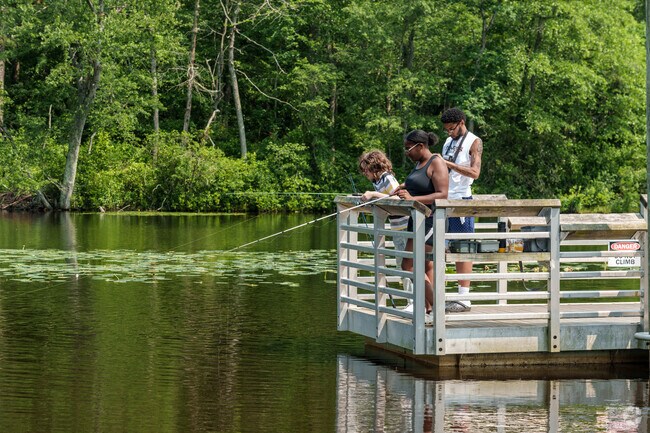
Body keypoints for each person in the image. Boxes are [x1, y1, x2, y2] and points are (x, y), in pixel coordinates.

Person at [393, 130, 448, 320]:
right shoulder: (419, 163)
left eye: (409, 148)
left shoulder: (437, 162)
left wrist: (412, 197)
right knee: (420, 264)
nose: (406, 152)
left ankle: (439, 307)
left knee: (409, 264)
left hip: (430, 219)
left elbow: (442, 194)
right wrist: (404, 187)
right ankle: (429, 310)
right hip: (415, 219)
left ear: (420, 146)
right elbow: (423, 184)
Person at [436, 107, 483, 313]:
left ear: (461, 122)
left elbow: (475, 172)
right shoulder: (448, 141)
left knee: (463, 248)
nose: (449, 133)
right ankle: (439, 295)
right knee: (439, 248)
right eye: (446, 130)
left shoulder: (474, 141)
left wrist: (447, 163)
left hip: (462, 201)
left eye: (452, 129)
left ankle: (465, 298)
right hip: (443, 199)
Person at [358, 150, 412, 305]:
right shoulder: (378, 182)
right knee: (401, 264)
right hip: (396, 228)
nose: (365, 174)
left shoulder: (387, 178)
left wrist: (374, 195)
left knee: (405, 265)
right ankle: (411, 302)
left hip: (404, 226)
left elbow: (397, 196)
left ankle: (413, 303)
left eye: (365, 170)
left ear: (373, 167)